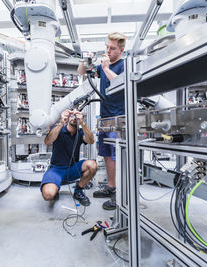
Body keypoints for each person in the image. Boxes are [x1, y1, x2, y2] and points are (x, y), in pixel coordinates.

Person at [77, 32, 126, 210]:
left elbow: (122, 83)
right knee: (106, 155)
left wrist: (105, 69)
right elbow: (81, 72)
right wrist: (86, 59)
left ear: (121, 50)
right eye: (107, 47)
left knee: (118, 156)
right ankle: (111, 187)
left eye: (112, 48)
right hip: (105, 117)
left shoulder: (123, 65)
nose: (109, 51)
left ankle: (121, 194)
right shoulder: (102, 66)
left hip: (120, 118)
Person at [41, 109, 97, 206]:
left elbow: (91, 141)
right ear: (67, 117)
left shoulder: (80, 132)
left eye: (76, 116)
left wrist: (83, 124)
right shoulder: (58, 129)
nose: (74, 118)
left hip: (72, 168)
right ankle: (55, 186)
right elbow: (47, 142)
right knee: (48, 195)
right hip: (56, 170)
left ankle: (78, 190)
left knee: (92, 165)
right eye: (72, 115)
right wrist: (61, 123)